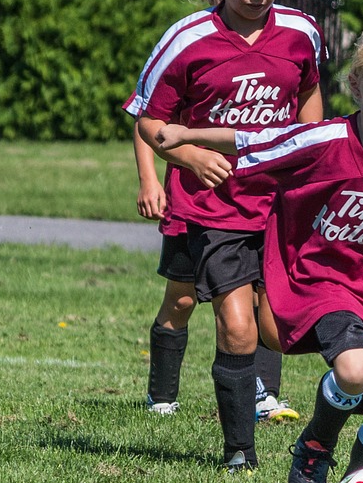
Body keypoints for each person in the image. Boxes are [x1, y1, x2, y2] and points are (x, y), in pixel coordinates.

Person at [155, 19, 363, 483]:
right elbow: (251, 141)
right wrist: (188, 134)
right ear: (355, 85)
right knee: (354, 372)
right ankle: (315, 445)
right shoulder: (324, 140)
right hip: (323, 282)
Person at [131, 0, 324, 472]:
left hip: (278, 204)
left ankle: (306, 395)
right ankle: (238, 452)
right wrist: (182, 162)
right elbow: (150, 121)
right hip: (213, 206)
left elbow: (310, 99)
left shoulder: (301, 33)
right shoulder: (187, 39)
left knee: (278, 328)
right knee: (228, 320)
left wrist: (311, 165)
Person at [127, 121, 298, 421]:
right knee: (181, 300)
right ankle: (161, 396)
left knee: (259, 300)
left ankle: (264, 393)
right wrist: (148, 179)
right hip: (193, 203)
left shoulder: (289, 73)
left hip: (256, 204)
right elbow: (147, 119)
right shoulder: (182, 72)